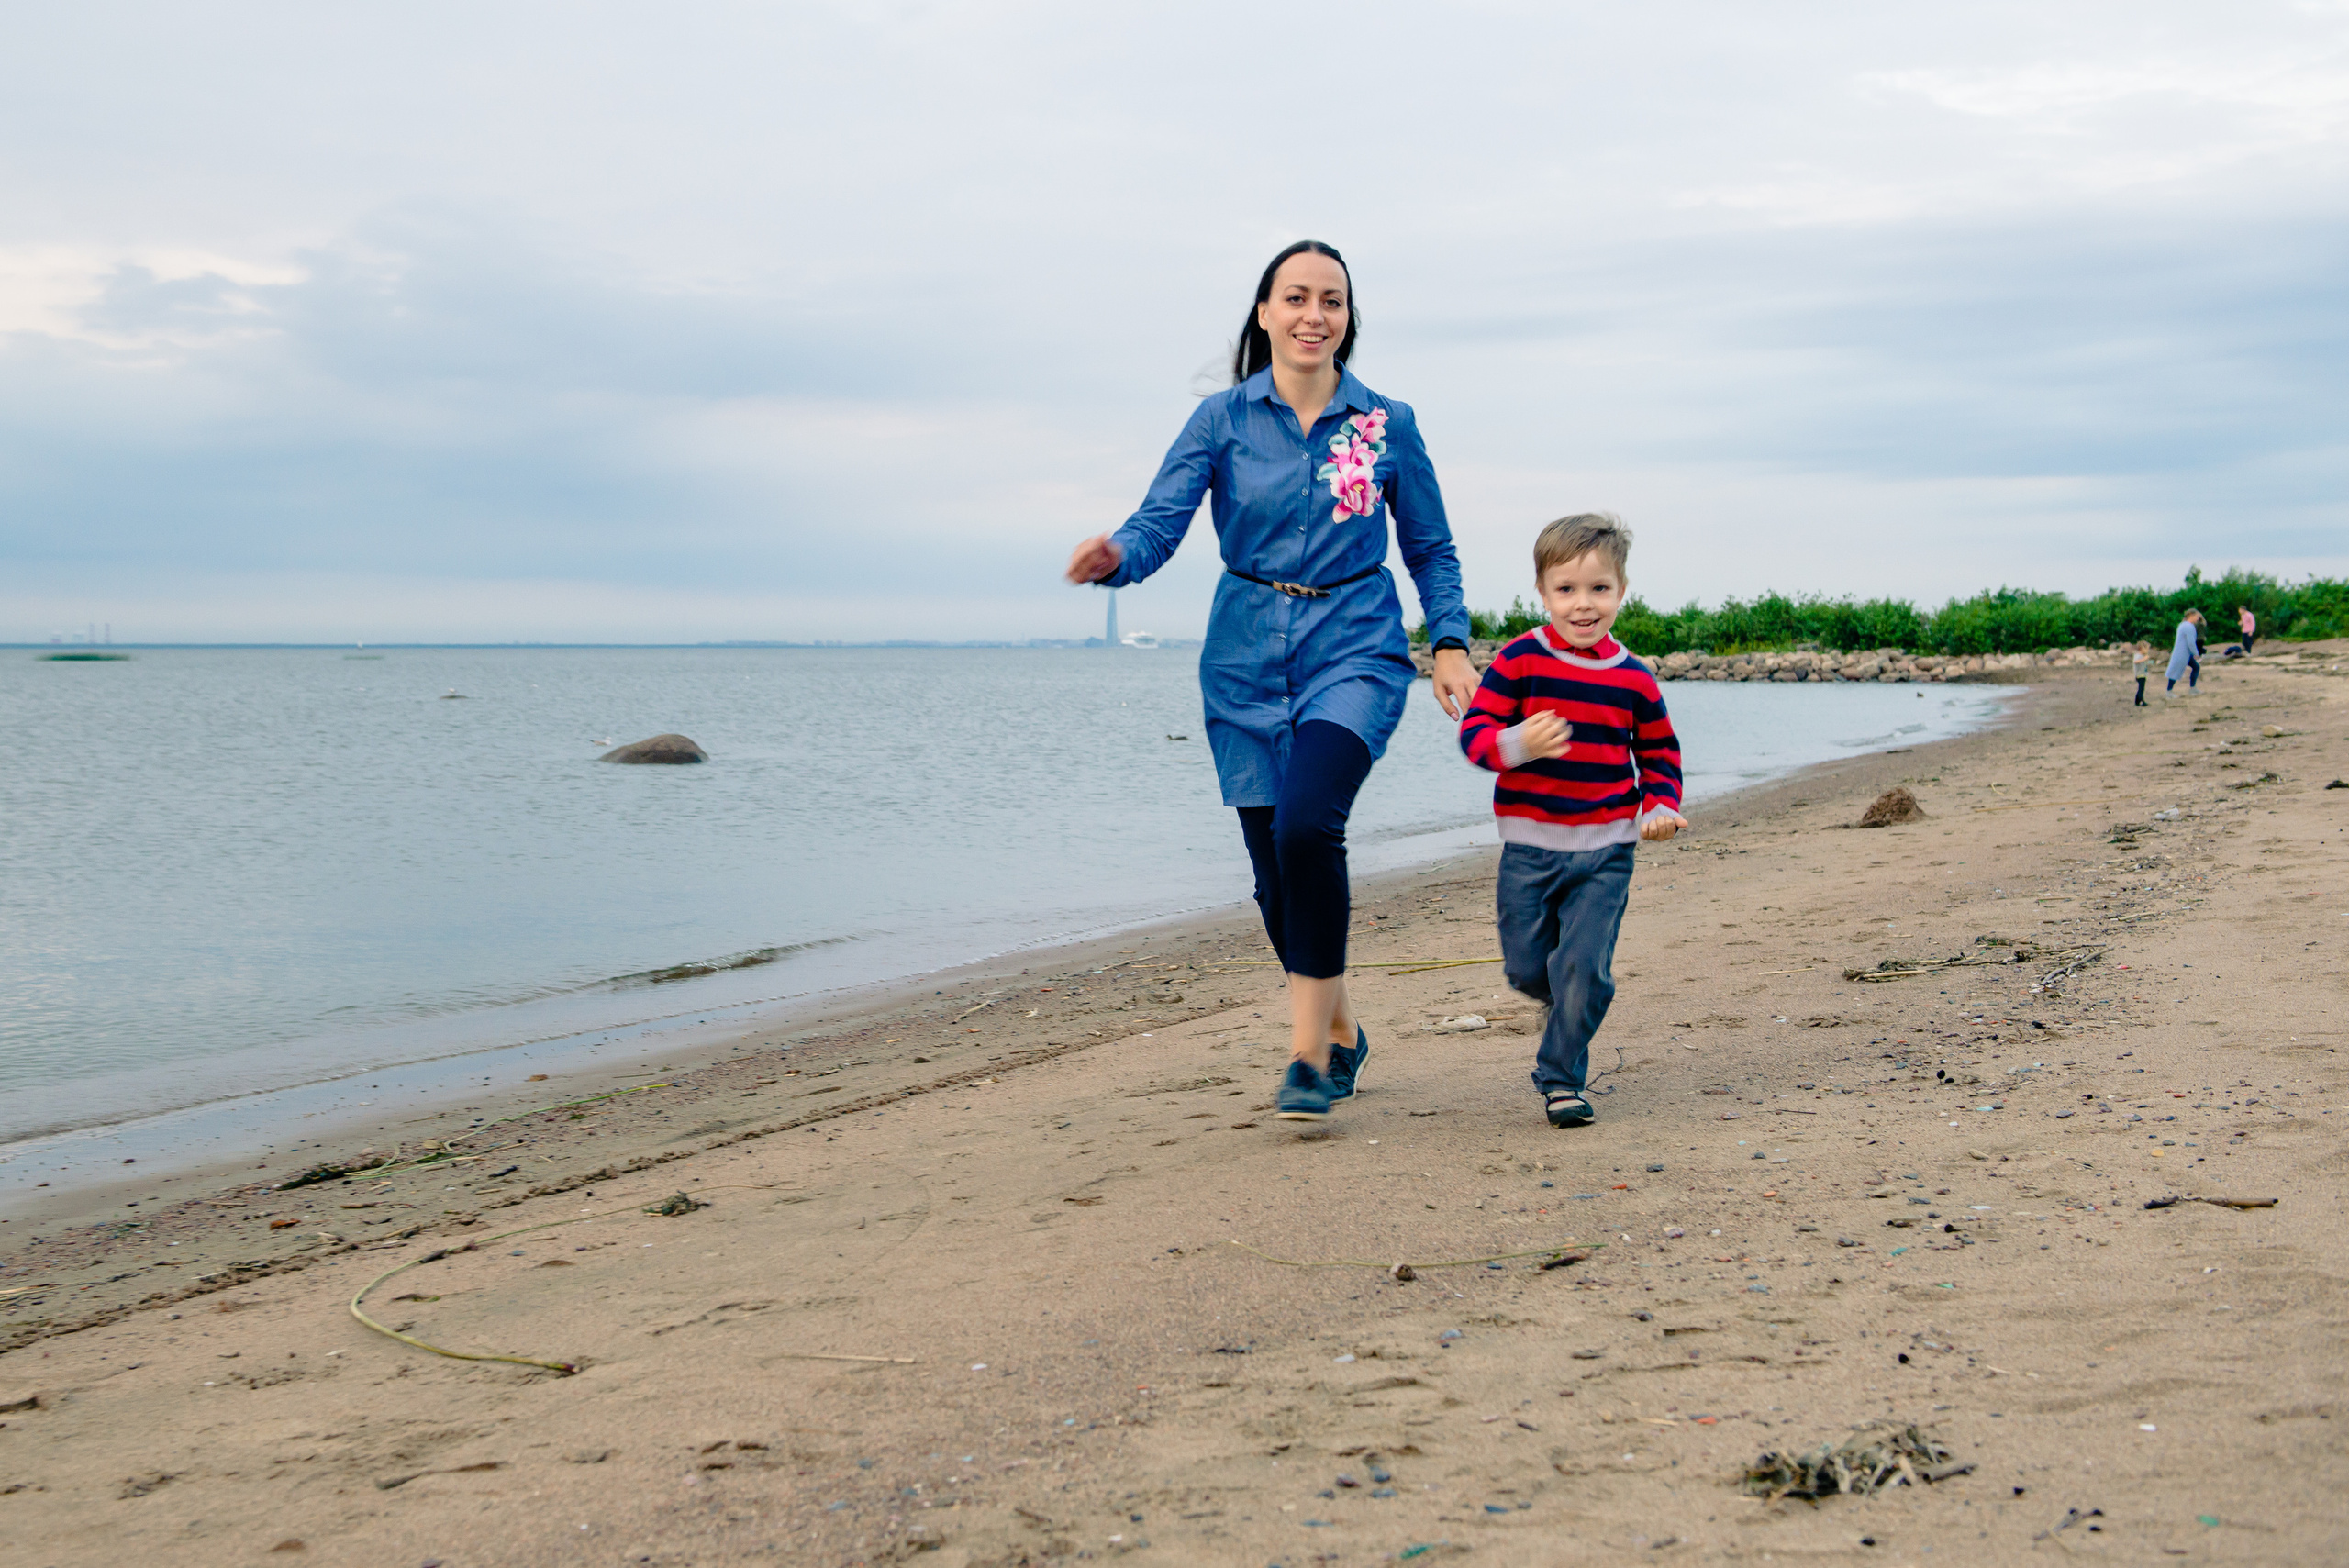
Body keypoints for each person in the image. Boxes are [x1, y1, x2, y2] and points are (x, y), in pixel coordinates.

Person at [1063, 240, 1477, 1123]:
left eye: (1332, 300)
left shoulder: (1386, 423)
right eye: (1295, 297)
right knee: (1270, 871)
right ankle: (1343, 1031)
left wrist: (1448, 643)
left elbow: (1431, 548)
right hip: (1245, 657)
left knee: (1305, 827)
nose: (1313, 315)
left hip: (1355, 647)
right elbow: (1158, 523)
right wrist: (1114, 561)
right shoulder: (1221, 420)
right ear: (1264, 313)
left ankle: (1304, 1057)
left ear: (1348, 320)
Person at [1456, 514, 1685, 1129]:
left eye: (1598, 589)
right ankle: (1564, 1003)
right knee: (1530, 968)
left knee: (1584, 970)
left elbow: (1659, 752)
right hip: (1529, 848)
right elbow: (1475, 738)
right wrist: (1518, 741)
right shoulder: (1519, 662)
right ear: (1543, 592)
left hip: (1606, 849)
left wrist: (1660, 805)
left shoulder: (1634, 677)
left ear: (1621, 591)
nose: (1583, 605)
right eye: (1567, 589)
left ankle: (1561, 1077)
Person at [2165, 609, 2204, 695]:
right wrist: (2196, 653)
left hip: (2185, 653)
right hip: (2182, 653)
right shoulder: (2188, 626)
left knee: (2196, 667)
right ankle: (2169, 691)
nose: (2198, 619)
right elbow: (2190, 642)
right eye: (2196, 616)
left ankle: (2193, 688)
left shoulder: (2183, 625)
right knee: (2175, 671)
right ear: (2191, 615)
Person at [2131, 640, 2152, 706]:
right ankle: (2142, 701)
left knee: (2140, 688)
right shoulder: (2138, 656)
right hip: (2140, 675)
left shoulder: (2141, 655)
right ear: (2142, 648)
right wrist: (2144, 659)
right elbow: (2136, 661)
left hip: (2143, 674)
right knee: (2141, 689)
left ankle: (2137, 702)